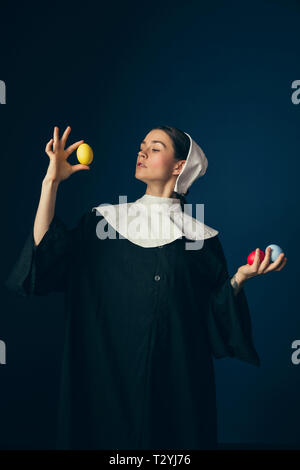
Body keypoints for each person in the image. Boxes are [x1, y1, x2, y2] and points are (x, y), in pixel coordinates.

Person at [5, 125, 287, 450]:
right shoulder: (101, 223)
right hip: (103, 390)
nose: (142, 152)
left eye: (154, 148)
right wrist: (50, 182)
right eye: (141, 146)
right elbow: (44, 258)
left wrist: (239, 279)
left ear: (179, 166)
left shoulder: (202, 240)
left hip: (174, 394)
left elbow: (210, 324)